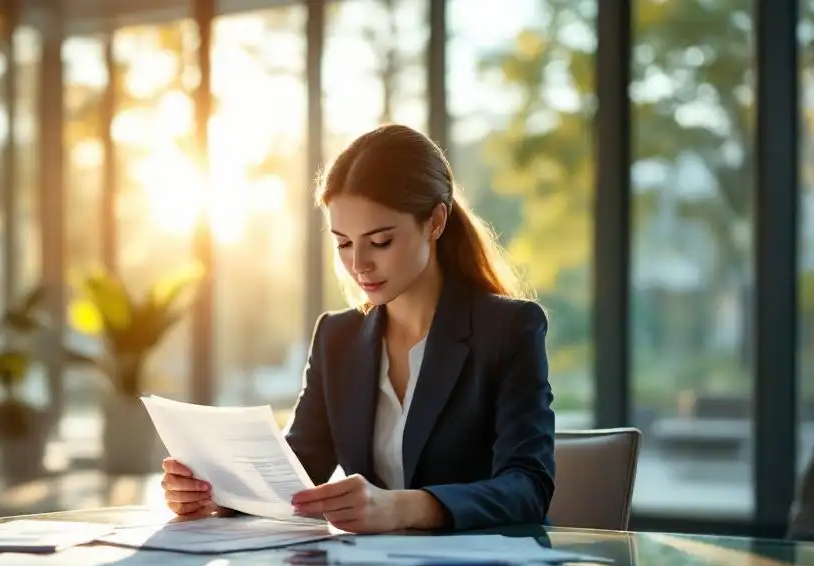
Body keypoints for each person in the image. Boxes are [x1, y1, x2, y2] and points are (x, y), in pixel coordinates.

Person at [161, 123, 556, 533]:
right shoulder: (337, 337)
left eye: (380, 241)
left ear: (436, 222)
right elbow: (297, 472)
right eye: (343, 243)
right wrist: (214, 493)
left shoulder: (509, 329)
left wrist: (403, 508)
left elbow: (528, 486)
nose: (359, 264)